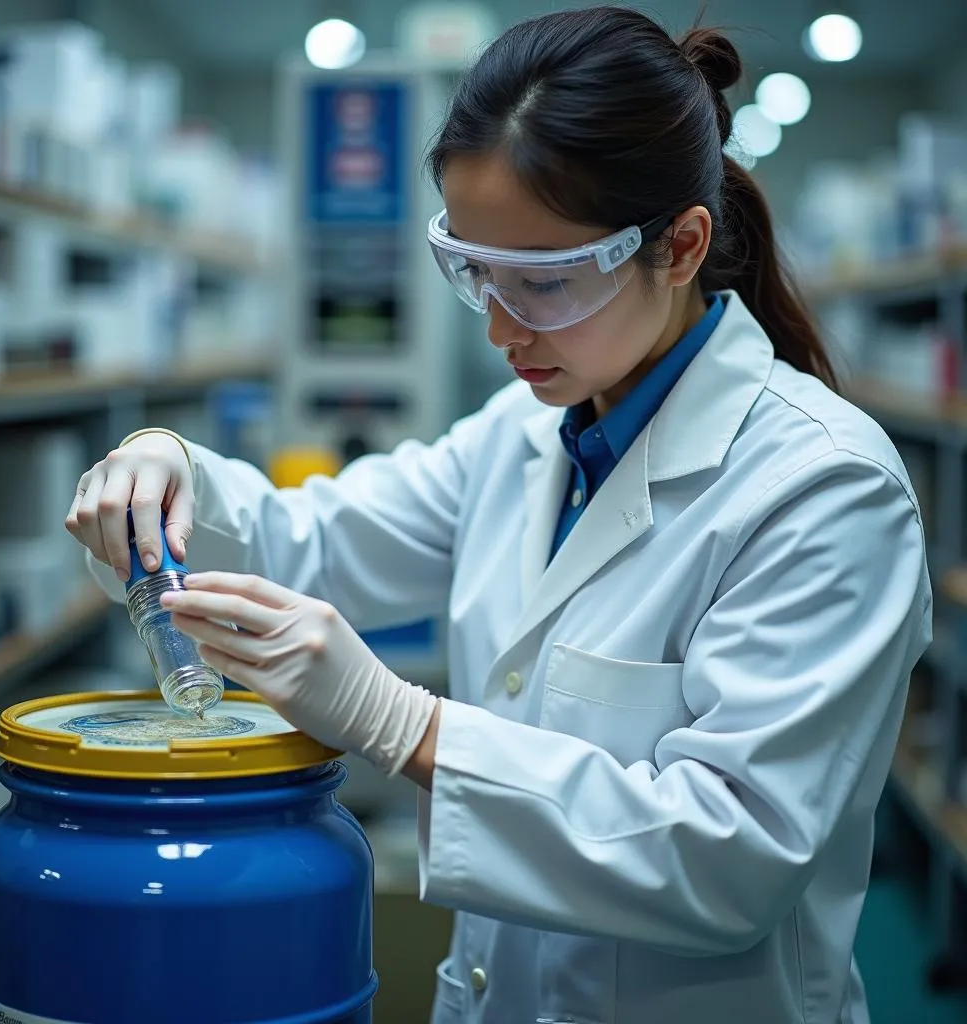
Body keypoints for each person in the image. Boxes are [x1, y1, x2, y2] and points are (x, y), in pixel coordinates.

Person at [66, 7, 931, 1023]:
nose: (498, 324)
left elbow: (731, 856)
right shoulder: (521, 435)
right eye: (474, 267)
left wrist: (410, 727)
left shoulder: (824, 488)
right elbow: (315, 539)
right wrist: (167, 470)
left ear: (682, 246)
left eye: (544, 282)